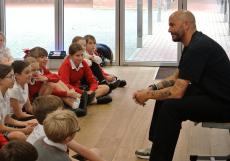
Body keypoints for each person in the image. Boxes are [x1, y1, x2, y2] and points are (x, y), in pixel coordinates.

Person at [133, 10, 230, 161]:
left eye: (172, 25)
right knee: (163, 99)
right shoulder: (194, 43)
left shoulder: (198, 47)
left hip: (223, 104)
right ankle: (157, 146)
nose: (169, 29)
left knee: (171, 107)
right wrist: (153, 89)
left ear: (186, 25)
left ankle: (159, 157)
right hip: (211, 94)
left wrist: (146, 96)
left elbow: (177, 93)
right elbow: (177, 76)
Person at [27, 95, 106, 161]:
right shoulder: (56, 132)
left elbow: (80, 149)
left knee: (95, 152)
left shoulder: (46, 134)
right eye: (61, 111)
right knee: (96, 153)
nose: (64, 111)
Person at [25, 47, 88, 117]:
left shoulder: (41, 69)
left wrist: (46, 78)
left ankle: (75, 101)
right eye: (42, 57)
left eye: (46, 56)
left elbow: (57, 78)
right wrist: (66, 93)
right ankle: (75, 102)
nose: (46, 59)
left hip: (44, 97)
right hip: (37, 102)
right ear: (34, 59)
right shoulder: (31, 76)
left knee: (53, 81)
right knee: (51, 83)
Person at [0, 64, 35, 141]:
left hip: (4, 128)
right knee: (19, 136)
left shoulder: (6, 93)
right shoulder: (12, 90)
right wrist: (23, 130)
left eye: (13, 76)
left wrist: (26, 123)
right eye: (10, 77)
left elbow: (6, 118)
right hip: (2, 131)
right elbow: (1, 127)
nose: (14, 79)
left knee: (34, 123)